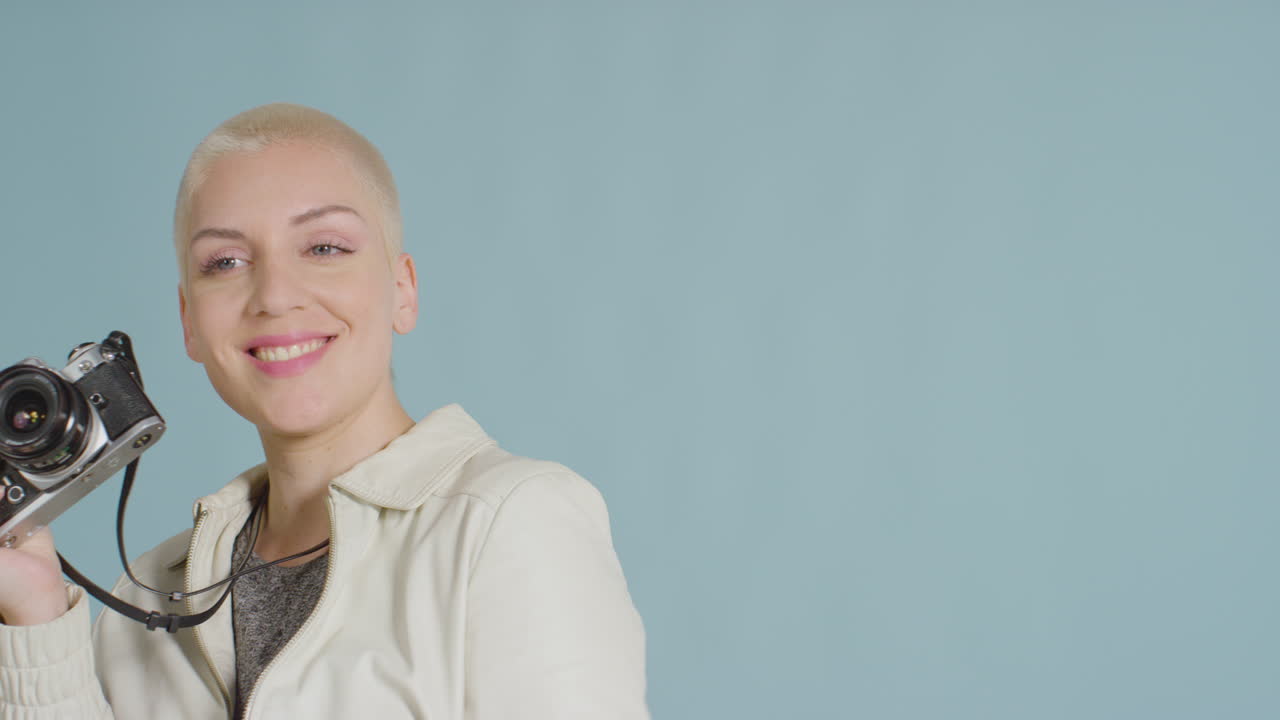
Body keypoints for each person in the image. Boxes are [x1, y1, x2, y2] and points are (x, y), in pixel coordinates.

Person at [0, 103, 650, 719]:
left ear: (402, 290)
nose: (275, 295)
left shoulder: (510, 523)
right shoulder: (144, 598)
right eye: (225, 262)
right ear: (189, 322)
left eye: (324, 248)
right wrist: (33, 609)